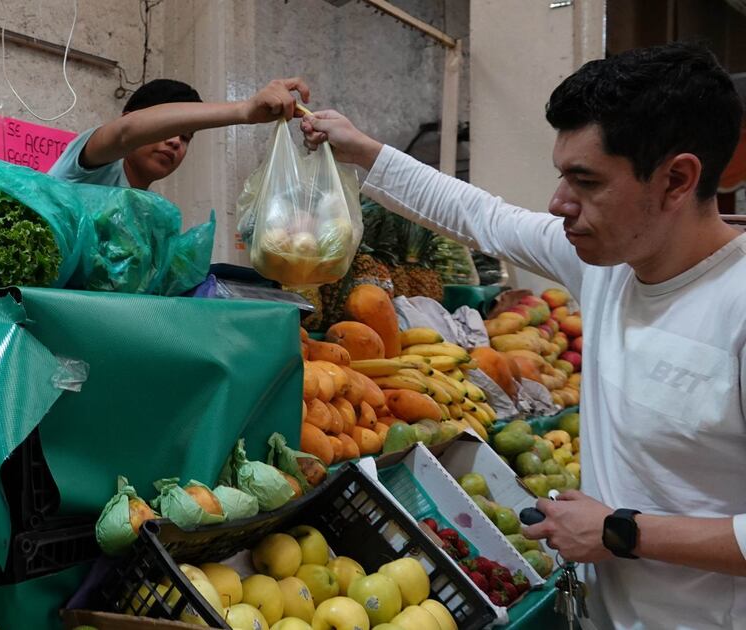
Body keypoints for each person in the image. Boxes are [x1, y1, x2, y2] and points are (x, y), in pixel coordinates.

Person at [301, 42, 746, 628]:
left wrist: (621, 531)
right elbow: (480, 215)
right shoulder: (608, 265)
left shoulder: (734, 308)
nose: (559, 202)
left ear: (676, 180)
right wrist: (361, 150)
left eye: (585, 181)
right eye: (563, 175)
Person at [48, 77, 311, 189]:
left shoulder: (150, 215)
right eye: (171, 130)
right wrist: (244, 111)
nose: (175, 142)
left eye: (186, 137)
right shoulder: (90, 160)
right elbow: (124, 133)